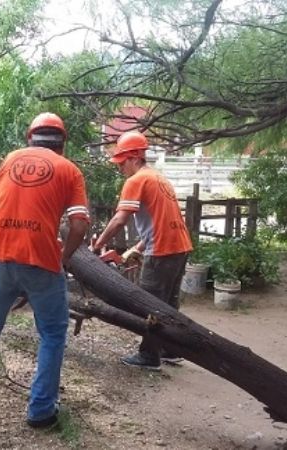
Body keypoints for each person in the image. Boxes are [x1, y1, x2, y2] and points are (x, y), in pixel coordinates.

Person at [0, 112, 90, 429]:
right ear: (63, 142)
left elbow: (0, 204)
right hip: (40, 257)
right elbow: (79, 224)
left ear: (29, 137)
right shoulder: (70, 170)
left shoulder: (10, 160)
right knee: (52, 333)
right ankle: (41, 411)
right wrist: (64, 257)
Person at [91, 130, 192, 371]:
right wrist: (136, 249)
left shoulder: (136, 181)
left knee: (150, 305)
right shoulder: (159, 179)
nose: (120, 168)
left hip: (163, 250)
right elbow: (160, 221)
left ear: (135, 157)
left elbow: (119, 220)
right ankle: (170, 348)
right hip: (180, 246)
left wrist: (96, 245)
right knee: (169, 303)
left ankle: (149, 355)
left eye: (122, 162)